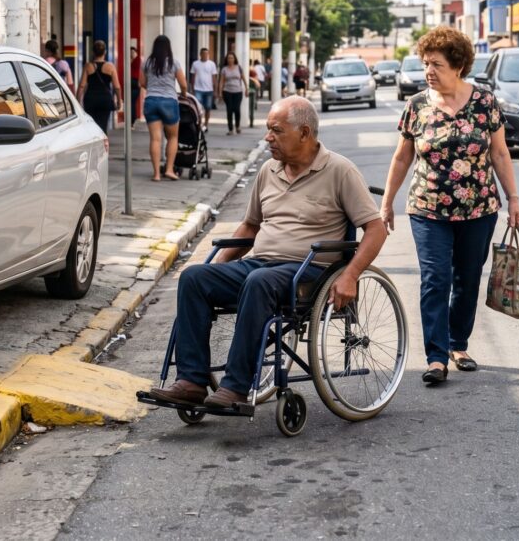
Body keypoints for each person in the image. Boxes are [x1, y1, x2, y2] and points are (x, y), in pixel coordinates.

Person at [147, 97, 388, 408]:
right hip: (260, 265)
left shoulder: (339, 171)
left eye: (276, 130)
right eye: (267, 130)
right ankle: (192, 381)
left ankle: (235, 387)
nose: (268, 138)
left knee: (260, 281)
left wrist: (351, 275)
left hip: (308, 272)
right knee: (195, 277)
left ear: (304, 133)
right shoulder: (268, 170)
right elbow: (250, 226)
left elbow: (376, 228)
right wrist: (218, 270)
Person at [380, 26, 519, 386]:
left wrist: (514, 199)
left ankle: (458, 343)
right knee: (435, 279)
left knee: (467, 279)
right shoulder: (417, 106)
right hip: (428, 209)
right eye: (426, 63)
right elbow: (402, 158)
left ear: (458, 66)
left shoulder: (484, 102)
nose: (429, 71)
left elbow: (500, 153)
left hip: (479, 210)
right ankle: (436, 356)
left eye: (437, 64)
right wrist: (387, 202)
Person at [138, 35, 189, 182]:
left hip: (151, 101)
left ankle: (156, 174)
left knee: (155, 139)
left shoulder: (147, 63)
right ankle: (169, 170)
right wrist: (184, 95)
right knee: (172, 137)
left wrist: (153, 89)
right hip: (169, 102)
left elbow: (142, 83)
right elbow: (183, 84)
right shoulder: (174, 63)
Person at [77, 40, 121, 134]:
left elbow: (82, 86)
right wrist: (119, 101)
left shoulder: (88, 66)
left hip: (90, 99)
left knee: (91, 125)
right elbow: (117, 87)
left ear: (93, 52)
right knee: (103, 125)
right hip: (105, 100)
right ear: (105, 52)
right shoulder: (110, 67)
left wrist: (77, 101)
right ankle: (104, 145)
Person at [190, 48, 218, 129]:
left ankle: (206, 124)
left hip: (209, 90)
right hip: (198, 89)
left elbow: (214, 77)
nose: (205, 55)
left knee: (208, 108)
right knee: (198, 108)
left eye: (206, 54)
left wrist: (215, 90)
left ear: (208, 54)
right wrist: (192, 89)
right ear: (200, 54)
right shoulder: (195, 64)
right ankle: (199, 123)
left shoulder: (212, 64)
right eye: (203, 54)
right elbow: (193, 77)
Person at [219, 52, 245, 135]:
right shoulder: (224, 69)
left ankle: (237, 126)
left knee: (237, 109)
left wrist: (247, 88)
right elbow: (221, 81)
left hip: (238, 91)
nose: (230, 59)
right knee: (229, 110)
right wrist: (220, 92)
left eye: (232, 58)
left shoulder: (239, 68)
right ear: (227, 59)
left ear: (234, 59)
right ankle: (230, 129)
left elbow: (243, 78)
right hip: (227, 91)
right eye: (229, 58)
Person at [129, 46, 143, 123]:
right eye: (130, 53)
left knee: (132, 102)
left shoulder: (137, 60)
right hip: (133, 81)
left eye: (133, 52)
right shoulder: (134, 60)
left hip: (135, 81)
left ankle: (132, 120)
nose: (131, 54)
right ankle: (131, 120)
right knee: (131, 102)